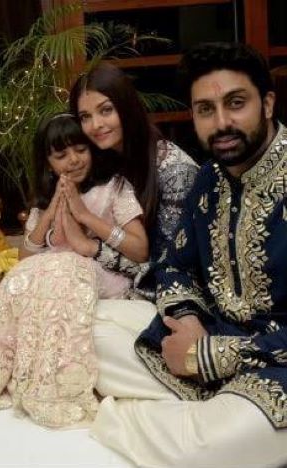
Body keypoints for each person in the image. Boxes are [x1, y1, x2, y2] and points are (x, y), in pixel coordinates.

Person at [90, 42, 287, 467]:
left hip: (278, 366)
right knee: (91, 329)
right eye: (205, 109)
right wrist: (190, 322)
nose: (222, 122)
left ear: (268, 103)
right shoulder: (210, 179)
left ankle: (130, 415)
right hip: (211, 331)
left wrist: (207, 356)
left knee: (201, 450)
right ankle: (197, 412)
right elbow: (175, 266)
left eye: (236, 103)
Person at [0, 115, 148, 427]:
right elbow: (25, 258)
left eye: (81, 150)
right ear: (48, 162)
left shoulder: (114, 187)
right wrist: (50, 212)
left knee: (60, 265)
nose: (74, 160)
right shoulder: (46, 202)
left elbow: (140, 249)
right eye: (61, 155)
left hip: (100, 274)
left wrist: (84, 216)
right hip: (53, 275)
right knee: (21, 277)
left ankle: (56, 384)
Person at [69, 62, 198, 290]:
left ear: (127, 107)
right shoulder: (103, 163)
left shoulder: (175, 170)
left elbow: (169, 266)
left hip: (177, 292)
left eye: (106, 110)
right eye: (85, 116)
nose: (95, 125)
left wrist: (93, 248)